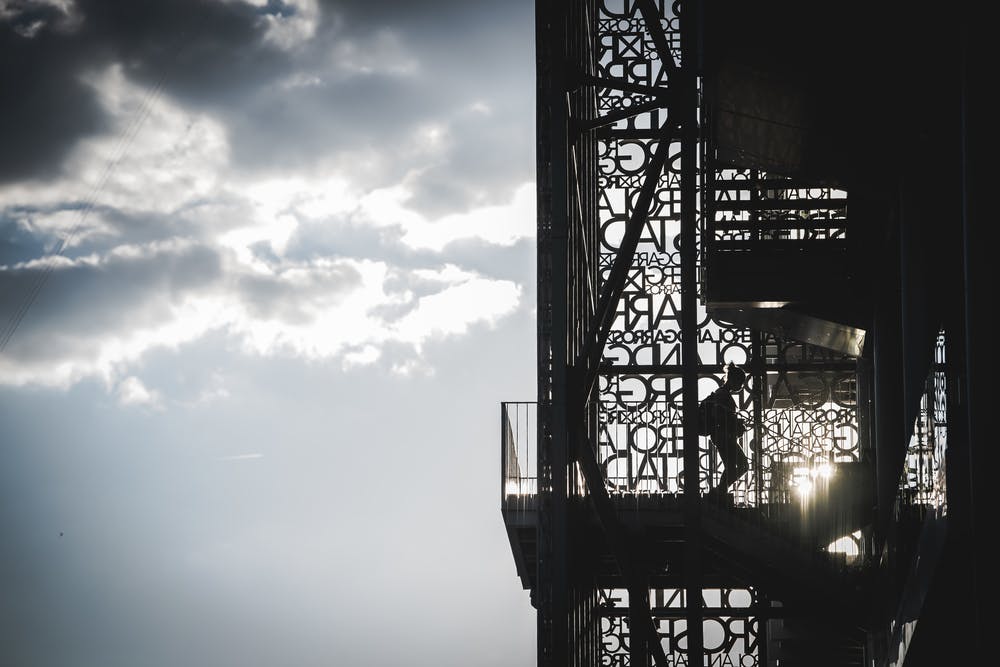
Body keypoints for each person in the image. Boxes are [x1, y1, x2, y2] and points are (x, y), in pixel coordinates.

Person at [699, 362, 749, 500]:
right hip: (723, 435)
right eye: (740, 382)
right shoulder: (722, 394)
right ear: (733, 380)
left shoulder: (721, 393)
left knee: (735, 466)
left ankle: (720, 491)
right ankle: (719, 491)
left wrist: (734, 421)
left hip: (722, 435)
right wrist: (735, 422)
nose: (741, 385)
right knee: (741, 465)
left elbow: (721, 415)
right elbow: (719, 416)